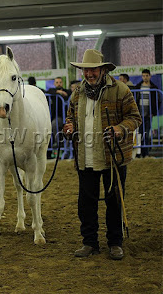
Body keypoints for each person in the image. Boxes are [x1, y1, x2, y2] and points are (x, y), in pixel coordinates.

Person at [63, 49, 141, 260]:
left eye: (93, 70)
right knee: (85, 203)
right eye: (86, 70)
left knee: (114, 201)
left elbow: (135, 118)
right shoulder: (78, 92)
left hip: (113, 158)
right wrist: (69, 126)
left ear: (103, 69)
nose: (89, 74)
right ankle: (89, 242)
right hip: (85, 156)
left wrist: (119, 129)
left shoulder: (120, 90)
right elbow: (70, 116)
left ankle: (115, 243)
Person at [135, 69, 161, 158]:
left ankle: (146, 153)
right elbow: (134, 100)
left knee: (146, 133)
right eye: (143, 76)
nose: (145, 77)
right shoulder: (138, 87)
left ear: (150, 76)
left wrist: (153, 112)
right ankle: (139, 153)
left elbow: (159, 101)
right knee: (139, 134)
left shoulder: (154, 88)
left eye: (147, 75)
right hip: (139, 115)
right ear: (142, 76)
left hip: (149, 114)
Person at [47, 77, 70, 144]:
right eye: (57, 82)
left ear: (62, 83)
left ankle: (68, 146)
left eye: (60, 82)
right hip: (57, 116)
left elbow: (69, 93)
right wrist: (59, 92)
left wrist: (64, 93)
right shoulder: (53, 92)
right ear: (54, 83)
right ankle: (58, 143)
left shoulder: (67, 91)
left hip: (67, 116)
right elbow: (48, 91)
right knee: (54, 124)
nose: (59, 84)